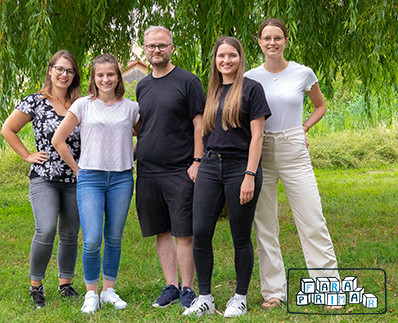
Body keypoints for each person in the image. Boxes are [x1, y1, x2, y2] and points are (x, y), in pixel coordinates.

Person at [244, 18, 340, 309]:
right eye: (266, 38)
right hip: (261, 150)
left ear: (286, 41)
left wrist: (305, 128)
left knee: (312, 219)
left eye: (278, 37)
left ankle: (328, 289)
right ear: (259, 42)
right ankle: (273, 291)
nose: (272, 42)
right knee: (265, 224)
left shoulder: (302, 73)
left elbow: (320, 105)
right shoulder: (249, 77)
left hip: (293, 148)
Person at [182, 36, 271, 317]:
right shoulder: (212, 90)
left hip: (240, 167)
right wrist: (198, 161)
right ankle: (205, 297)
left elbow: (257, 137)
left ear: (240, 57)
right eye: (221, 56)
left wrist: (249, 175)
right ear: (215, 60)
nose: (226, 61)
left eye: (231, 55)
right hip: (210, 166)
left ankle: (240, 297)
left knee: (240, 235)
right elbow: (202, 131)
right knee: (200, 233)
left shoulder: (252, 90)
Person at [52, 53, 140, 314]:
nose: (105, 79)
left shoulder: (131, 108)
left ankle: (109, 289)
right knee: (91, 239)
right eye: (100, 75)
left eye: (110, 74)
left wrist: (129, 155)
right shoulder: (82, 105)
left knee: (114, 237)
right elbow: (59, 140)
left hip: (122, 178)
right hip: (90, 178)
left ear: (118, 77)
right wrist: (77, 170)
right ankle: (91, 293)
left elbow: (143, 136)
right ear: (93, 78)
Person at [1, 50, 81, 309]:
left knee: (70, 233)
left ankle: (66, 284)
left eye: (69, 71)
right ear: (50, 70)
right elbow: (8, 129)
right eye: (59, 69)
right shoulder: (35, 101)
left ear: (74, 75)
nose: (64, 74)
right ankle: (36, 286)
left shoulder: (80, 103)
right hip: (44, 177)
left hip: (76, 178)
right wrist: (27, 155)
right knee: (45, 229)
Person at [135, 26, 205, 309]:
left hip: (181, 169)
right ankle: (171, 286)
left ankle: (188, 288)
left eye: (162, 45)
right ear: (145, 49)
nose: (156, 51)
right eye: (151, 46)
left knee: (183, 231)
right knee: (161, 230)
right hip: (148, 171)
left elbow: (199, 124)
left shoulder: (188, 81)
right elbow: (143, 127)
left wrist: (197, 161)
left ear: (172, 47)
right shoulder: (142, 86)